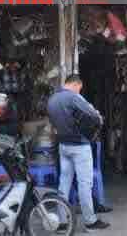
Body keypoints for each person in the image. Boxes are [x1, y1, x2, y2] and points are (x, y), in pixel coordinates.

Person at [47, 75, 110, 231]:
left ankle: (62, 221)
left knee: (64, 183)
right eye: (79, 89)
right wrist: (99, 118)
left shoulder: (52, 99)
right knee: (85, 184)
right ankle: (90, 221)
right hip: (79, 146)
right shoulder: (73, 97)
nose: (79, 91)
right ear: (76, 84)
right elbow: (92, 114)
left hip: (63, 145)